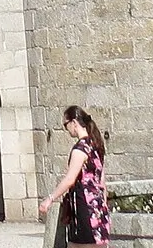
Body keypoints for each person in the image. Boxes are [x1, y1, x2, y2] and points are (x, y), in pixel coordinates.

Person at [38, 104, 110, 245]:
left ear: (74, 123)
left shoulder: (80, 149)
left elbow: (70, 179)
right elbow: (101, 181)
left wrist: (50, 198)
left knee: (76, 245)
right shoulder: (97, 145)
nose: (66, 129)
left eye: (66, 125)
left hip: (84, 206)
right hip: (98, 206)